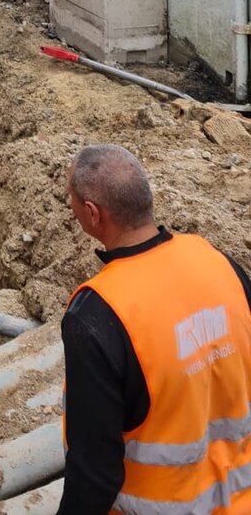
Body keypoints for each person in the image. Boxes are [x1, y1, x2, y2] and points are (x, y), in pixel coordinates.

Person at [59, 143, 251, 514]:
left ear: (93, 213)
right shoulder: (218, 263)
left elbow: (95, 475)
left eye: (72, 199)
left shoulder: (98, 313)